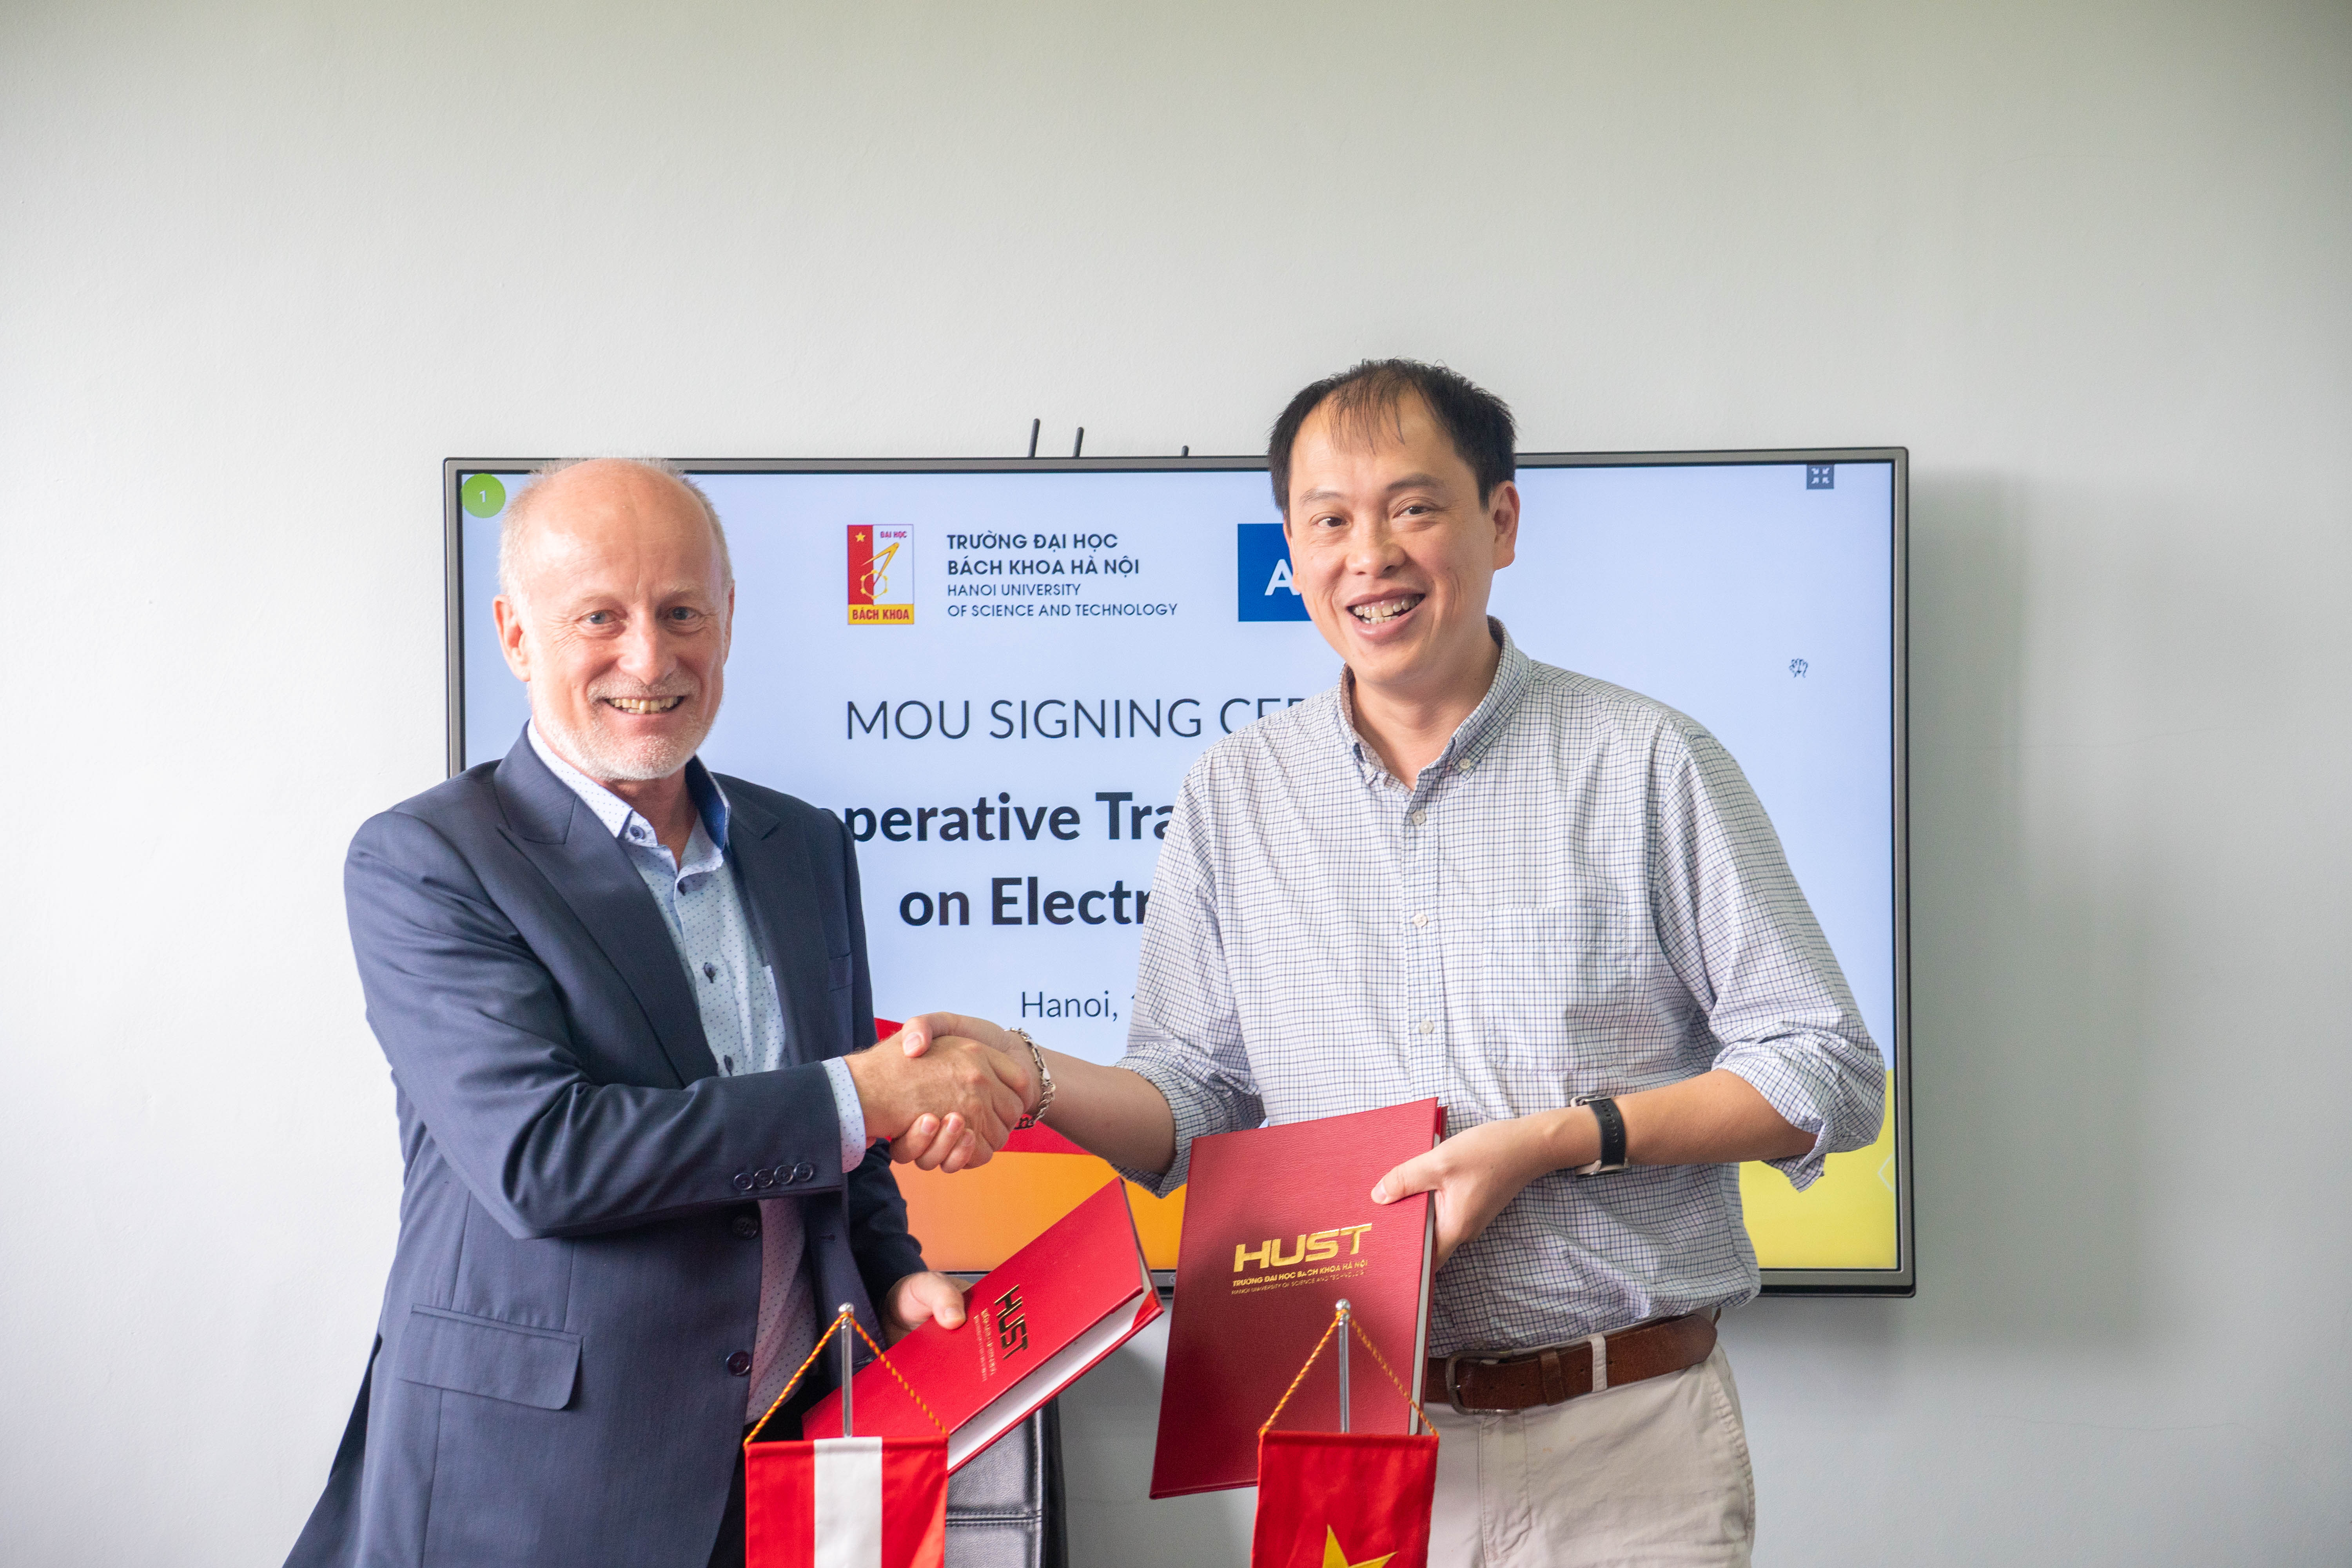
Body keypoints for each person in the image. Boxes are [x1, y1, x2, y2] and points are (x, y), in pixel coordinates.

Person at [899, 361, 1885, 1566]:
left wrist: (1554, 1140)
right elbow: (1196, 1106)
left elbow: (1826, 1071)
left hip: (1626, 1445)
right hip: (1348, 1437)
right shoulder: (1234, 793)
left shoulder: (1647, 761)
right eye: (1329, 521)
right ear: (1293, 551)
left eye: (1413, 508)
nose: (1370, 555)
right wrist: (1031, 1072)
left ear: (1501, 522)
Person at [284, 458, 1031, 1568]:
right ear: (516, 635)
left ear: (727, 619)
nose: (650, 657)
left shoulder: (804, 845)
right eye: (601, 617)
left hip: (783, 1455)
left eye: (683, 612)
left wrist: (891, 1272)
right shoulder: (426, 860)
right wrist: (859, 1095)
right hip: (534, 1483)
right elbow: (545, 1157)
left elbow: (845, 1144)